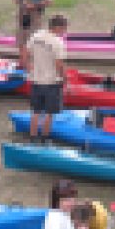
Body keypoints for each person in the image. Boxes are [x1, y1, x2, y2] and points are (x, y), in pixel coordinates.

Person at [26, 14, 68, 143]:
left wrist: (29, 68)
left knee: (36, 111)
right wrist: (64, 77)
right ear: (58, 27)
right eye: (64, 29)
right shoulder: (57, 42)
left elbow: (26, 53)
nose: (64, 32)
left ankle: (33, 137)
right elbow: (59, 63)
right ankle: (45, 137)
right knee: (50, 113)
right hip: (51, 82)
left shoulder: (36, 36)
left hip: (36, 80)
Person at [13, 0, 52, 67]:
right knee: (21, 41)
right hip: (22, 17)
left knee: (34, 41)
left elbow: (49, 1)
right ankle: (23, 62)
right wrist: (19, 0)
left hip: (35, 18)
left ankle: (33, 64)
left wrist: (34, 5)